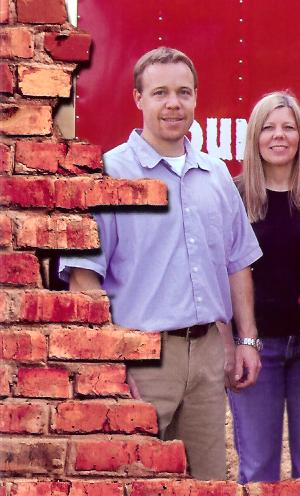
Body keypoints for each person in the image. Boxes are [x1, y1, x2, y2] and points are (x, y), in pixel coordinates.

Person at [60, 47, 262, 480]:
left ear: (196, 98)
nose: (174, 103)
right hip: (141, 361)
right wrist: (108, 364)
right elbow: (83, 279)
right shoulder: (107, 174)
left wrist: (246, 340)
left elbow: (238, 262)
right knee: (134, 480)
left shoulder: (216, 175)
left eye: (184, 92)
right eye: (160, 93)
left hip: (207, 356)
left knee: (208, 481)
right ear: (138, 98)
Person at [228, 92, 300, 480]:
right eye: (269, 127)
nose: (279, 135)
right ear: (254, 137)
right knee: (258, 467)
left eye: (288, 127)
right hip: (256, 349)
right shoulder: (233, 196)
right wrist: (238, 342)